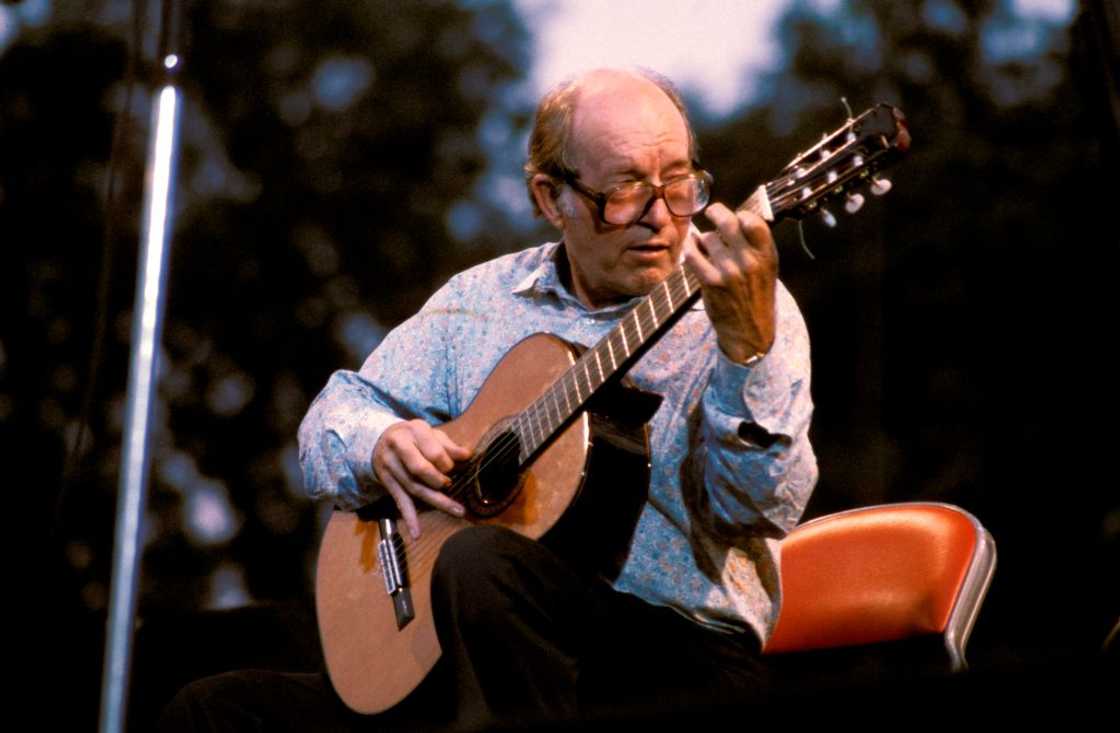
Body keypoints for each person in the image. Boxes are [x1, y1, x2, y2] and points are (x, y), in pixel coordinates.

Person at [160, 66, 816, 732]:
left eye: (678, 182)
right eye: (622, 190)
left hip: (674, 661)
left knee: (480, 563)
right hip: (465, 654)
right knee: (213, 709)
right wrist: (380, 443)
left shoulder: (745, 307)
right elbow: (333, 416)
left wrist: (747, 353)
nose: (660, 216)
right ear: (549, 196)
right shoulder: (480, 303)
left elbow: (762, 508)